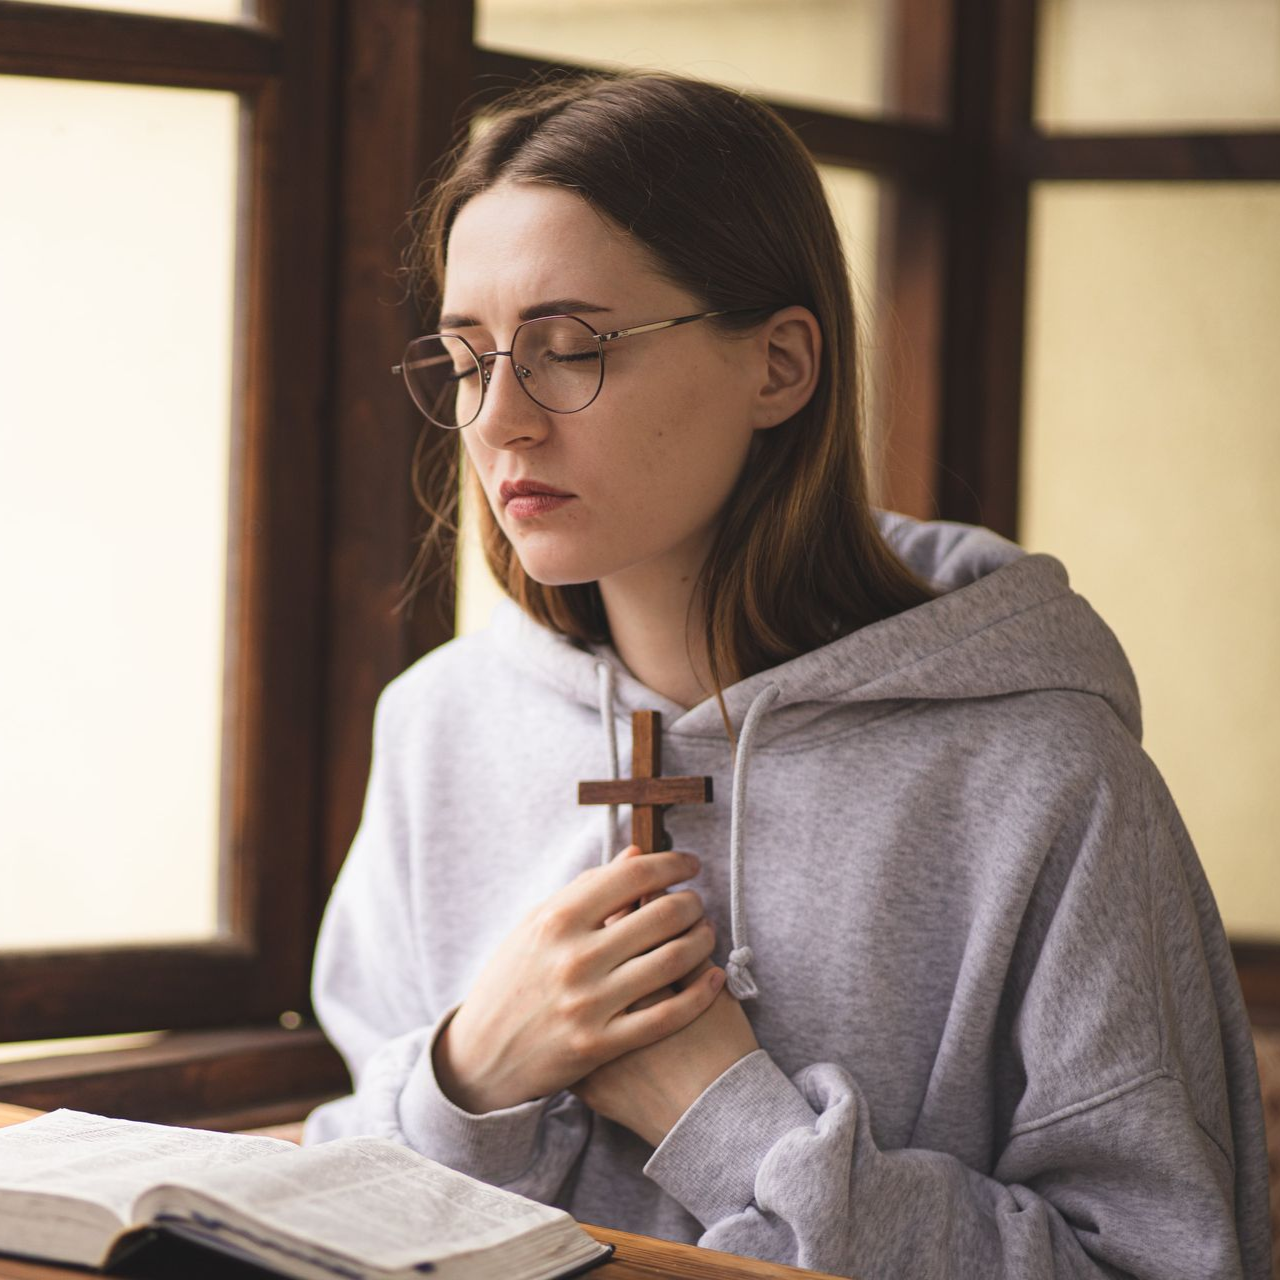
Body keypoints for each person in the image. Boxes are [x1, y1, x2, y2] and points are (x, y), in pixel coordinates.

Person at [302, 71, 1272, 1280]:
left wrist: (730, 1122)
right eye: (464, 357)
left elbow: (1158, 1262)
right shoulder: (439, 726)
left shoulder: (1047, 779)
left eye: (568, 349)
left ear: (779, 364)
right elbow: (334, 1201)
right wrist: (469, 1076)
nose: (498, 419)